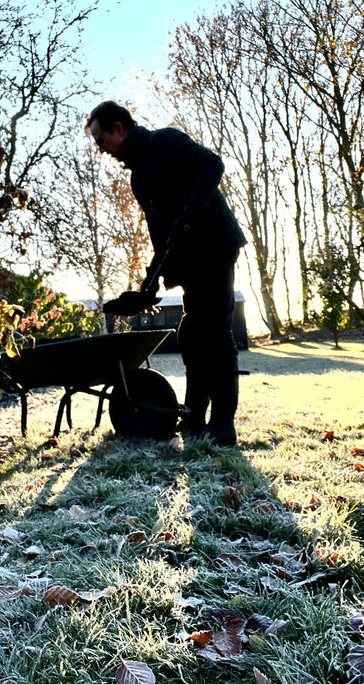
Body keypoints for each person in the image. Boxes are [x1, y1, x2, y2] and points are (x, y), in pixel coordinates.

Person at [86, 101, 247, 446]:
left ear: (118, 127)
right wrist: (151, 279)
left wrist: (193, 210)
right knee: (191, 334)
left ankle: (223, 426)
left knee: (215, 332)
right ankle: (193, 416)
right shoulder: (138, 175)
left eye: (101, 140)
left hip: (214, 246)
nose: (101, 150)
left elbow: (211, 163)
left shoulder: (163, 142)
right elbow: (162, 230)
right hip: (189, 262)